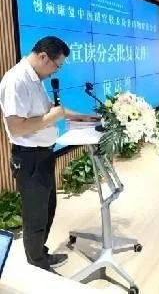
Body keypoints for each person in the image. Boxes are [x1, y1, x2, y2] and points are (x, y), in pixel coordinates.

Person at [0, 36, 100, 271]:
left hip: (43, 155)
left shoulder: (35, 78)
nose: (56, 71)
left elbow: (55, 112)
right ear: (44, 56)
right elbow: (17, 127)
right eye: (57, 65)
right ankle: (37, 264)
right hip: (29, 158)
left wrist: (85, 118)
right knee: (36, 215)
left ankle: (39, 254)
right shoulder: (16, 80)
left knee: (46, 209)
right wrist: (52, 117)